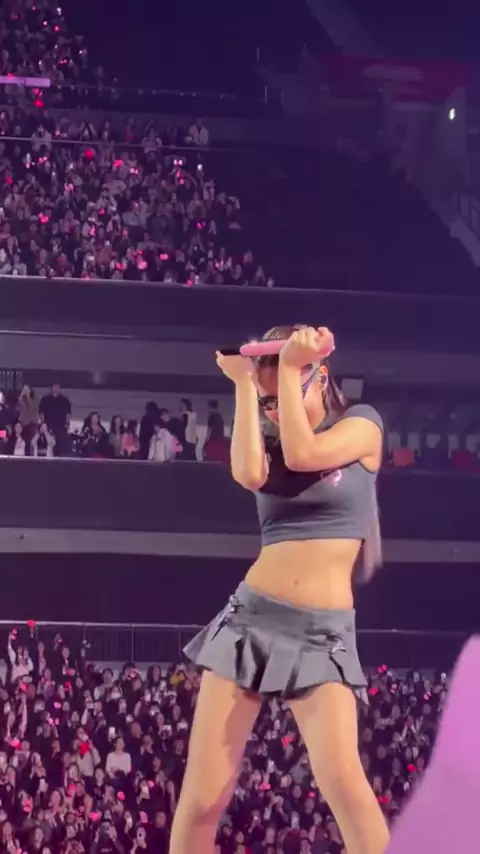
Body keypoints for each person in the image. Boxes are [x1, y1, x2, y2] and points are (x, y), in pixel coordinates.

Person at [170, 325, 389, 854]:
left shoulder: (361, 426)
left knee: (344, 784)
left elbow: (305, 452)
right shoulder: (271, 437)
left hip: (321, 635)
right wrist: (244, 385)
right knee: (202, 800)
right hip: (250, 619)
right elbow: (248, 472)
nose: (273, 410)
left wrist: (287, 368)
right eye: (267, 402)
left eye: (284, 392)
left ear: (322, 377)